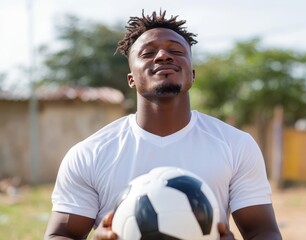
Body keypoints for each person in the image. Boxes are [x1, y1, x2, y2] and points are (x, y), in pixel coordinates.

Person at [45, 10, 282, 240]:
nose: (162, 56)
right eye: (148, 53)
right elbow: (61, 234)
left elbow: (263, 231)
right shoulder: (89, 154)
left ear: (192, 74)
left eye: (176, 51)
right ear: (131, 79)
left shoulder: (235, 145)